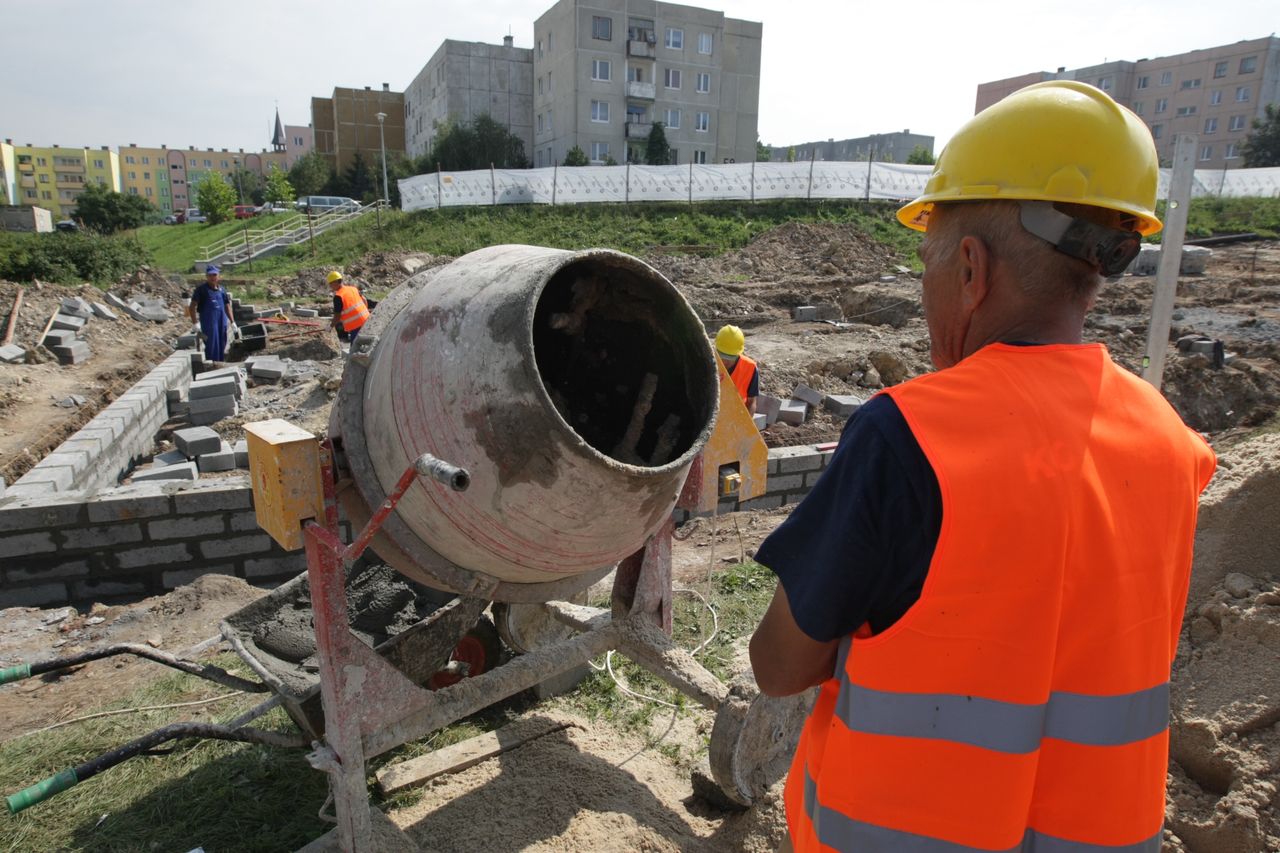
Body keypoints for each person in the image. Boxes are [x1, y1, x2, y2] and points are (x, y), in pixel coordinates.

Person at [748, 80, 1217, 852]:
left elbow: (778, 663)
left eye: (926, 260)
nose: (925, 283)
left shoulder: (908, 438)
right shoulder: (1172, 443)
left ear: (970, 267)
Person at [188, 265, 234, 362]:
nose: (212, 277)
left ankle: (220, 363)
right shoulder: (201, 290)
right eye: (210, 275)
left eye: (214, 275)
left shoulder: (222, 290)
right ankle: (212, 366)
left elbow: (227, 306)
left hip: (221, 321)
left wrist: (232, 321)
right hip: (209, 323)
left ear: (218, 276)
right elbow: (192, 307)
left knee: (222, 342)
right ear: (206, 276)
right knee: (211, 344)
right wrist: (195, 323)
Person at [715, 324, 758, 414]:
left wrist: (744, 426)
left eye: (730, 358)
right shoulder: (706, 363)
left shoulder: (750, 367)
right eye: (722, 356)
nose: (725, 361)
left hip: (735, 416)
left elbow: (751, 402)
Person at [328, 270, 370, 347]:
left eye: (330, 284)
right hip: (367, 320)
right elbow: (364, 300)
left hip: (356, 326)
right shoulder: (353, 288)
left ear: (335, 282)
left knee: (355, 350)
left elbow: (337, 317)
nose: (330, 286)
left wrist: (330, 327)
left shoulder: (338, 296)